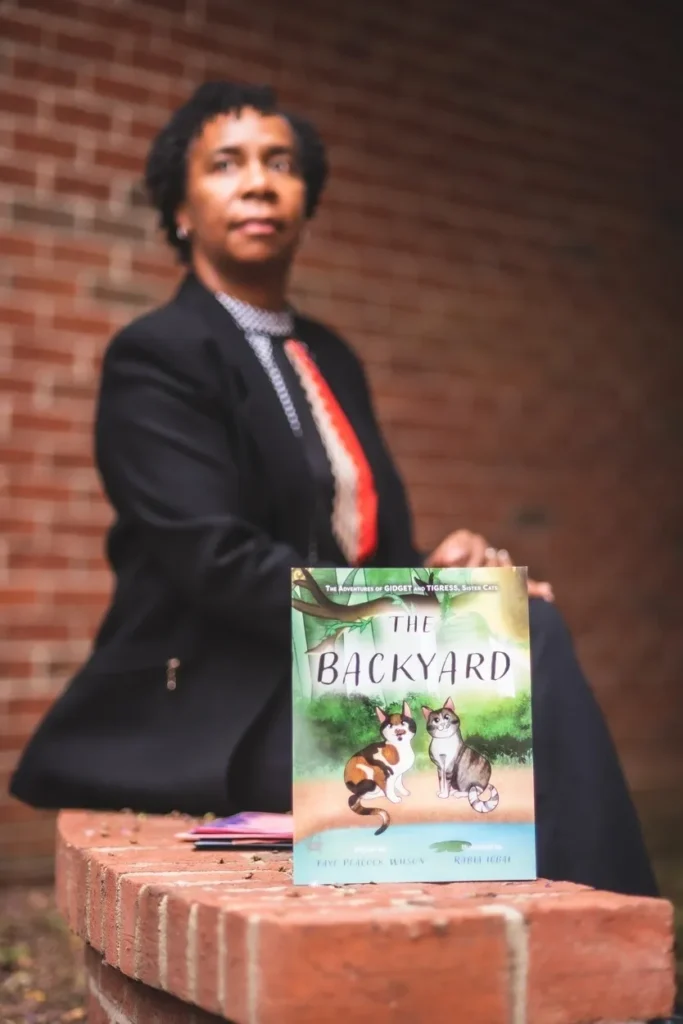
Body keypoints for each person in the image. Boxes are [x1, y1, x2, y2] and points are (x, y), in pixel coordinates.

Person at [9, 80, 658, 901]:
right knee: (528, 643)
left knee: (523, 642)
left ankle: (590, 945)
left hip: (343, 682)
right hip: (222, 700)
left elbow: (368, 556)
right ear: (180, 207)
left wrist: (439, 573)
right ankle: (621, 955)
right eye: (226, 163)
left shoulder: (331, 356)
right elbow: (216, 562)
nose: (258, 182)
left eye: (280, 164)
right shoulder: (158, 355)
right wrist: (425, 607)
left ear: (305, 202)